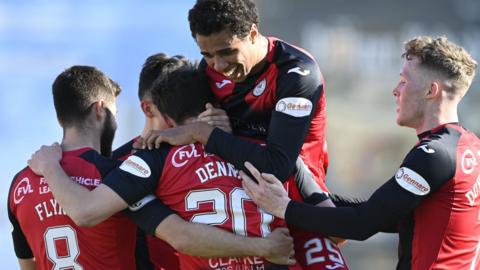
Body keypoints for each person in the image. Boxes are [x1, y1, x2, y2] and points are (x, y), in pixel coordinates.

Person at [138, 1, 349, 269]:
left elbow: (278, 166)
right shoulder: (209, 72)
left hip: (297, 203)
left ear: (252, 33)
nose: (219, 65)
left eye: (227, 51)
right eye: (208, 55)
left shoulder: (296, 73)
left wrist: (206, 133)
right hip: (244, 217)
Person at [241, 36, 480, 270]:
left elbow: (362, 224)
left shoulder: (433, 155)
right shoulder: (469, 146)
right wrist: (304, 191)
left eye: (404, 81)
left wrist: (283, 207)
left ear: (431, 90)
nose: (395, 91)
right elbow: (388, 215)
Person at [27, 64, 297, 269]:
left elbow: (85, 212)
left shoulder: (145, 162)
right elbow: (328, 221)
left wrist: (51, 167)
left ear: (165, 116)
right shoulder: (263, 151)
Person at [8, 65, 137, 270]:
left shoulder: (20, 184)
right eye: (115, 112)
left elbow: (28, 265)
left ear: (60, 120)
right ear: (99, 109)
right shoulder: (119, 172)